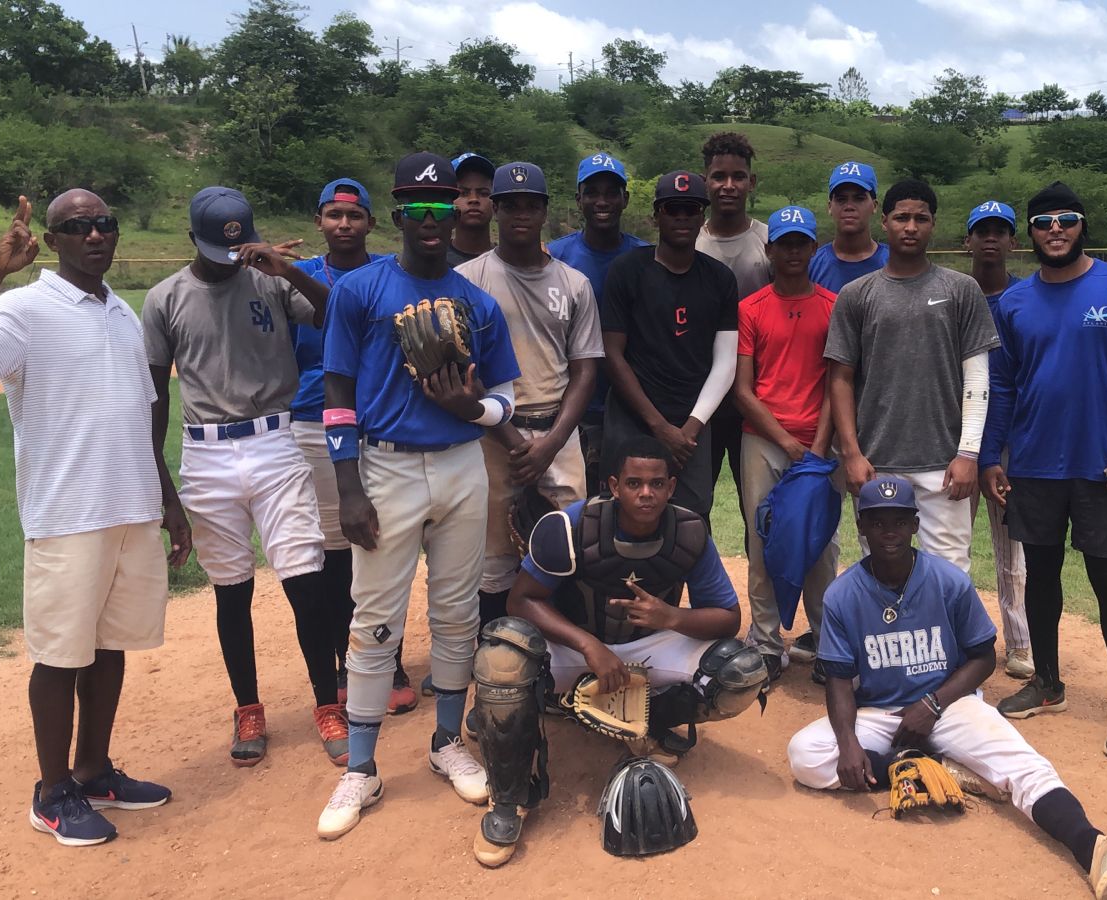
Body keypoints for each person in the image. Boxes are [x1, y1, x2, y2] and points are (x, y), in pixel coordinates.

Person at [786, 476, 1107, 900]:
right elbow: (839, 680)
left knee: (1023, 766)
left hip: (949, 705)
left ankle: (1097, 850)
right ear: (861, 527)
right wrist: (847, 742)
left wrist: (933, 703)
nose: (889, 532)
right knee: (806, 754)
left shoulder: (948, 581)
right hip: (880, 713)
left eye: (898, 521)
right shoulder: (842, 595)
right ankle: (923, 764)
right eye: (877, 523)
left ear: (915, 524)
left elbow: (984, 657)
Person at [0, 191, 183, 845]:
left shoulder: (121, 313)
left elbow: (140, 417)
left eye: (105, 223)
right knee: (60, 656)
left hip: (130, 506)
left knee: (109, 646)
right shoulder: (23, 309)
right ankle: (52, 793)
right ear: (52, 240)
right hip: (67, 512)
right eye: (78, 226)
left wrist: (168, 500)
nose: (95, 234)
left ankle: (94, 770)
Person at [316, 151, 522, 841]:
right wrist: (348, 485)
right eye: (418, 207)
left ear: (460, 212)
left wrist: (472, 410)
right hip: (386, 464)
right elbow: (337, 391)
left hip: (462, 462)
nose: (431, 220)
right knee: (375, 616)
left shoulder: (478, 302)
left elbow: (506, 397)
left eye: (442, 207)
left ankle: (446, 742)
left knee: (457, 612)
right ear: (398, 213)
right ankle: (362, 768)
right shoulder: (359, 290)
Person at [468, 436, 769, 867]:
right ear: (613, 486)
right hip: (576, 647)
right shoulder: (572, 526)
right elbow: (521, 602)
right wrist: (588, 644)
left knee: (740, 670)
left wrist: (671, 617)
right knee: (501, 658)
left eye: (656, 483)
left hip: (647, 648)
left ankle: (648, 725)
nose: (646, 493)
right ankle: (509, 799)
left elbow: (727, 618)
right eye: (634, 483)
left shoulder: (688, 532)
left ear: (671, 486)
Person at [143, 186, 343, 768]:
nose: (231, 258)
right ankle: (248, 707)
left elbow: (336, 315)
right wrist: (164, 490)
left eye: (239, 245)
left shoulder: (272, 281)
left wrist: (290, 271)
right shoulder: (164, 298)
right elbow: (154, 397)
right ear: (193, 239)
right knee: (232, 590)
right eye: (218, 248)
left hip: (275, 442)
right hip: (206, 454)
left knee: (305, 579)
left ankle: (326, 704)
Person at [979, 182, 1107, 761]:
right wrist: (990, 456)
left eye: (1066, 219)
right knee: (1041, 575)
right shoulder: (1014, 303)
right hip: (1035, 463)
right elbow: (1003, 387)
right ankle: (1048, 683)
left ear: (1082, 225)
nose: (1055, 229)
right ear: (1031, 233)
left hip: (1105, 465)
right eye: (1043, 222)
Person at [825, 180, 1001, 572]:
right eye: (901, 217)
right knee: (881, 568)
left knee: (950, 570)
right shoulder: (856, 294)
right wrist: (851, 454)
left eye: (920, 218)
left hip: (944, 460)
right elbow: (840, 379)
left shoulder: (961, 289)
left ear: (933, 224)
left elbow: (977, 378)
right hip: (876, 459)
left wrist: (968, 454)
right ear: (884, 221)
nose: (910, 227)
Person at [456, 161, 603, 629]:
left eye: (531, 205)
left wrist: (552, 443)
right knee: (494, 552)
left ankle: (564, 651)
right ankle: (498, 651)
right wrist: (512, 440)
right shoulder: (467, 279)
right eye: (510, 204)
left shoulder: (573, 283)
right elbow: (463, 370)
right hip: (491, 432)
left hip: (557, 428)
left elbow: (585, 370)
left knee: (571, 542)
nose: (521, 213)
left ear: (544, 211)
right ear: (495, 210)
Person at [288, 178, 407, 714]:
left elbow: (344, 310)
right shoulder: (303, 274)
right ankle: (348, 657)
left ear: (371, 224)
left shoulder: (388, 272)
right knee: (337, 551)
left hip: (379, 420)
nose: (343, 224)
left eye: (354, 215)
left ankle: (390, 656)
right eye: (333, 214)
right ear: (319, 221)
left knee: (383, 542)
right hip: (316, 421)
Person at [732, 205, 839, 682]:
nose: (793, 251)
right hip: (764, 439)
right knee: (763, 542)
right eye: (784, 243)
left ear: (814, 248)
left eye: (801, 242)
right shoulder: (751, 307)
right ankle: (767, 643)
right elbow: (743, 390)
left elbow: (838, 384)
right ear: (769, 249)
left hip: (819, 445)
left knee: (821, 546)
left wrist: (815, 448)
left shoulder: (834, 306)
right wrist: (787, 442)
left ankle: (828, 644)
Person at [601, 171, 738, 523]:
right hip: (633, 417)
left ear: (702, 217)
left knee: (690, 519)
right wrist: (659, 426)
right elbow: (613, 354)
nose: (681, 218)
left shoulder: (720, 278)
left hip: (692, 423)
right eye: (671, 209)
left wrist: (691, 427)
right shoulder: (627, 270)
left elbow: (725, 362)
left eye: (690, 210)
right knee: (625, 515)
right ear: (655, 216)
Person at [546, 153, 650, 495]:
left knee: (627, 502)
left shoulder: (645, 257)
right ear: (579, 199)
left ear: (625, 199)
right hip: (568, 404)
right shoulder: (554, 257)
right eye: (592, 192)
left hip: (630, 405)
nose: (602, 201)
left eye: (611, 192)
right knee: (573, 503)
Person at [963, 200, 1033, 681]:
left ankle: (1021, 641)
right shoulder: (954, 294)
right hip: (959, 437)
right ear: (967, 240)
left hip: (1011, 439)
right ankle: (958, 636)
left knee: (1013, 550)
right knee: (953, 544)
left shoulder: (1026, 298)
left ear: (1013, 241)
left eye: (1000, 231)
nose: (991, 238)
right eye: (982, 230)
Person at [694, 131, 766, 526]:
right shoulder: (689, 240)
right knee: (694, 505)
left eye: (738, 176)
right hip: (700, 397)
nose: (728, 185)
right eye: (719, 176)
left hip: (755, 398)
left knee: (758, 508)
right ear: (705, 180)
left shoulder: (769, 241)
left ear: (751, 182)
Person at [808, 161, 889, 294]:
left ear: (874, 206)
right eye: (841, 199)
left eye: (859, 198)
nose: (849, 206)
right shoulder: (811, 265)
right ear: (830, 207)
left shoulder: (894, 262)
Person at [448, 152, 496, 266]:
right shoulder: (435, 262)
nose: (473, 199)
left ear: (495, 204)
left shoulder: (509, 261)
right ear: (449, 200)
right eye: (463, 193)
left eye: (483, 193)